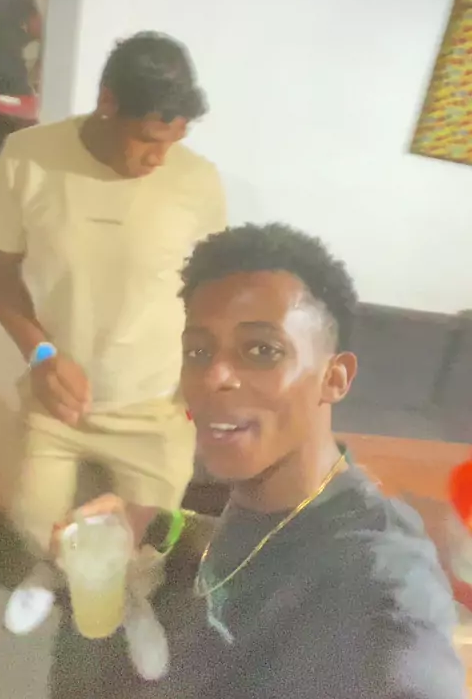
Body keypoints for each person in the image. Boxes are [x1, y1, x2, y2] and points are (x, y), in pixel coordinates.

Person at [63, 223, 466, 697]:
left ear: (334, 378)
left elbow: (407, 655)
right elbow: (261, 544)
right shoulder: (274, 492)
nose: (214, 376)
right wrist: (156, 521)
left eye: (262, 350)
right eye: (198, 350)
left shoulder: (377, 578)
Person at [0, 31, 226, 678]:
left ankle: (133, 596)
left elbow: (214, 295)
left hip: (156, 403)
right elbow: (0, 271)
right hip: (60, 398)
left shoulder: (198, 182)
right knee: (32, 519)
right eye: (147, 140)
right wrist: (41, 353)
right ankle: (53, 567)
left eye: (172, 141)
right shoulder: (30, 157)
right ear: (107, 103)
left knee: (147, 535)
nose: (158, 158)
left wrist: (203, 384)